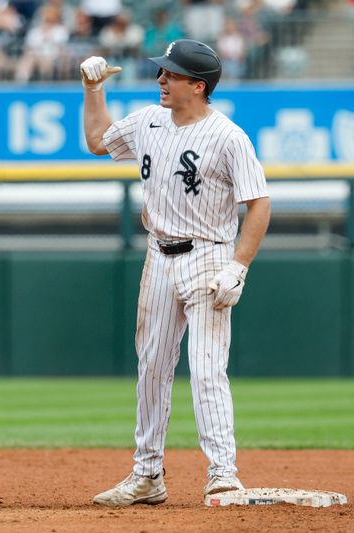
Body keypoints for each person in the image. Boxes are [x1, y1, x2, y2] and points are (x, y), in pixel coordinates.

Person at [80, 39, 271, 507]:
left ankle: (223, 474)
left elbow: (259, 202)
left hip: (208, 256)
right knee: (152, 367)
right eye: (162, 72)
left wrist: (238, 266)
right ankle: (147, 475)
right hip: (158, 256)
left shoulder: (228, 136)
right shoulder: (148, 120)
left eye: (172, 74)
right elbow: (96, 141)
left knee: (206, 370)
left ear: (198, 86)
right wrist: (92, 90)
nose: (161, 79)